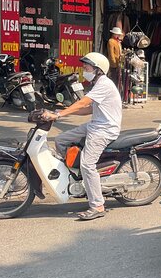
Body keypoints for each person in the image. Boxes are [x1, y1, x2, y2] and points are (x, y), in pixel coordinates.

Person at [44, 52, 122, 220]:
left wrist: (59, 116)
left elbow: (83, 102)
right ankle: (76, 177)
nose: (83, 69)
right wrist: (60, 112)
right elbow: (89, 109)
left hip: (105, 130)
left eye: (86, 67)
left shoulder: (104, 84)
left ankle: (97, 205)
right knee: (60, 140)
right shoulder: (98, 83)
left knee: (87, 164)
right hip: (95, 125)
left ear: (98, 69)